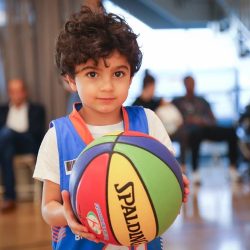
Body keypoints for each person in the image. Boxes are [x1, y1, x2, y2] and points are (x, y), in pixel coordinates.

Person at [33, 5, 189, 250]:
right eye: (92, 74)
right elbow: (48, 208)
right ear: (71, 80)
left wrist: (175, 183)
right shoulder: (58, 136)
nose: (107, 86)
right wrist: (69, 215)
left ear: (130, 77)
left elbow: (166, 178)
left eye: (118, 74)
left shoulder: (148, 122)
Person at [172, 75, 239, 184]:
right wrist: (191, 120)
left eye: (192, 83)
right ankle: (195, 171)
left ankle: (233, 168)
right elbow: (174, 119)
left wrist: (203, 121)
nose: (191, 86)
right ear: (184, 85)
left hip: (206, 128)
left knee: (231, 131)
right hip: (190, 131)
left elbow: (213, 120)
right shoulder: (178, 102)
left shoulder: (202, 101)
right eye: (188, 84)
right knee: (195, 134)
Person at [0, 79, 45, 212]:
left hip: (28, 143)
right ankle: (9, 198)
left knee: (6, 133)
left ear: (25, 92)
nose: (16, 95)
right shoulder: (2, 110)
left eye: (19, 91)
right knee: (7, 148)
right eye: (13, 92)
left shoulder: (37, 109)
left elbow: (37, 133)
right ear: (9, 93)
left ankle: (9, 197)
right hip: (8, 146)